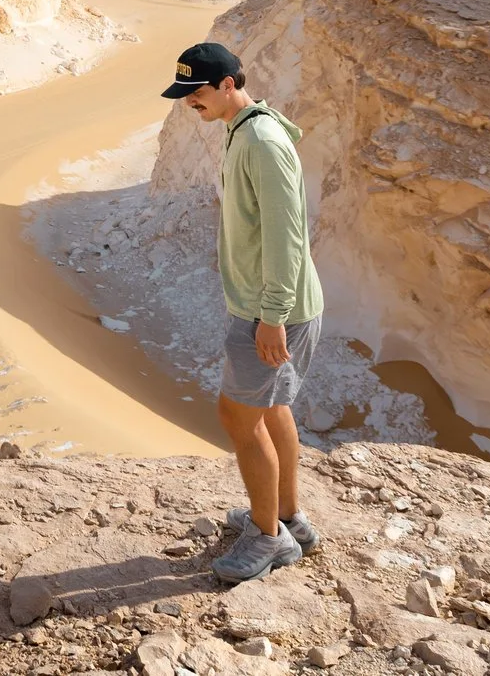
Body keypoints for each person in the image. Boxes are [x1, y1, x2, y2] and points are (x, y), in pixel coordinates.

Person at [161, 41, 323, 583]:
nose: (189, 104)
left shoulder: (261, 141)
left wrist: (271, 316)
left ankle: (267, 541)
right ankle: (286, 518)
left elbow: (288, 234)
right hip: (268, 304)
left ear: (228, 85)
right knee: (272, 408)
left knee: (237, 416)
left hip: (271, 309)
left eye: (196, 94)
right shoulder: (243, 129)